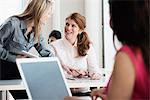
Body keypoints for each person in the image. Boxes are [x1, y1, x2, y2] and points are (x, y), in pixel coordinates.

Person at [65, 0, 150, 100]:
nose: (110, 22)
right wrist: (111, 91)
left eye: (112, 14)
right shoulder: (144, 51)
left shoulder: (126, 57)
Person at [0, 0, 54, 99]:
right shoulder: (12, 24)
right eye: (48, 13)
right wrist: (14, 58)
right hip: (3, 68)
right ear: (40, 11)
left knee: (32, 94)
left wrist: (61, 65)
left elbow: (45, 53)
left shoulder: (38, 30)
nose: (49, 16)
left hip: (16, 71)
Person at [51, 13, 101, 93]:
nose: (68, 28)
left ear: (80, 30)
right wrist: (72, 74)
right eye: (67, 24)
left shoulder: (88, 47)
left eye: (73, 26)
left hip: (83, 93)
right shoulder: (54, 46)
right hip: (62, 94)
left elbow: (95, 72)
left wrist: (91, 74)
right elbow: (51, 75)